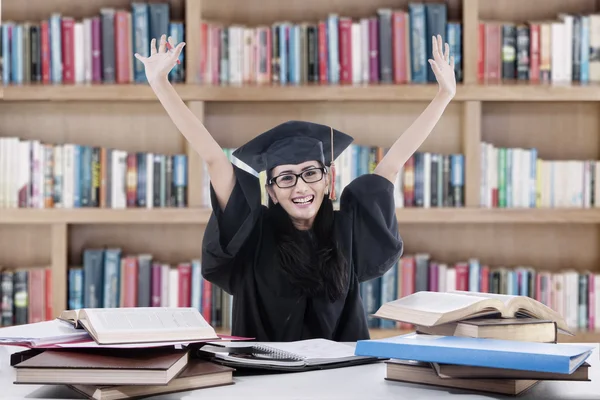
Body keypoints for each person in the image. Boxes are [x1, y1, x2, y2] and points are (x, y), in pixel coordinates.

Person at [135, 34, 456, 342]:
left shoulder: (348, 229)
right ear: (271, 191)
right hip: (263, 383)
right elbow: (213, 158)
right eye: (286, 177)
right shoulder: (252, 234)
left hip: (341, 382)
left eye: (310, 173)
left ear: (328, 178)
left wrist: (444, 95)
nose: (301, 186)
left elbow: (394, 162)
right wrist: (161, 84)